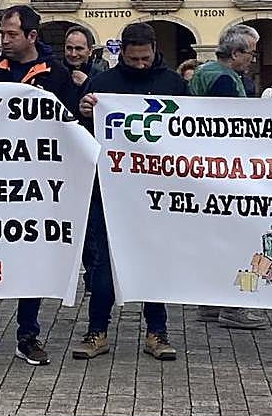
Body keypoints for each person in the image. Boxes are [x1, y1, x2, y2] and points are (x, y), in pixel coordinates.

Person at [0, 5, 81, 366]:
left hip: (36, 186)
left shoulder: (56, 75)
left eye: (11, 34)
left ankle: (28, 335)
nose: (3, 40)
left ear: (32, 36)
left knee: (31, 257)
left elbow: (70, 126)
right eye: (2, 34)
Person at [74, 23, 187, 361]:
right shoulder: (102, 85)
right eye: (134, 58)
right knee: (103, 266)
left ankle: (157, 332)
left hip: (157, 193)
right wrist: (84, 113)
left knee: (154, 263)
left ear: (154, 50)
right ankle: (97, 332)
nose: (140, 64)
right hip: (108, 192)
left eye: (146, 58)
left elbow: (192, 131)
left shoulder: (174, 85)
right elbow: (80, 134)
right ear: (122, 51)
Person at [188, 24, 266, 330]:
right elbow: (230, 125)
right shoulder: (223, 80)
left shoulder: (205, 71)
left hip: (208, 169)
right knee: (240, 239)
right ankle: (235, 305)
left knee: (214, 239)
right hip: (227, 170)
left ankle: (209, 302)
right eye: (251, 53)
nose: (253, 60)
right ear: (236, 53)